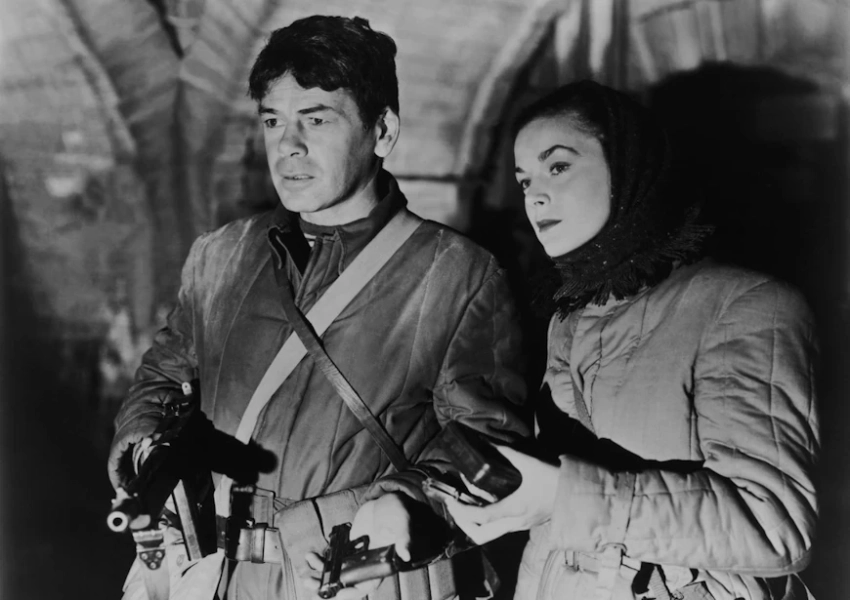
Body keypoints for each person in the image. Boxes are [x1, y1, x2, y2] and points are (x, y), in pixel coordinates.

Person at [107, 15, 529, 600]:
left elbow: (489, 448)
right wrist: (143, 439)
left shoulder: (458, 275)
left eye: (317, 118)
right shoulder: (220, 256)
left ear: (382, 132)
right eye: (273, 121)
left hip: (353, 577)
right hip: (214, 578)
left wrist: (401, 503)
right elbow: (163, 375)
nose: (289, 145)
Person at [446, 80, 819, 600]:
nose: (535, 195)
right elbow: (556, 535)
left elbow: (773, 525)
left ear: (627, 168)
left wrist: (564, 496)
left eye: (558, 166)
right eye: (525, 179)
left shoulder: (744, 305)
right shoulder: (568, 319)